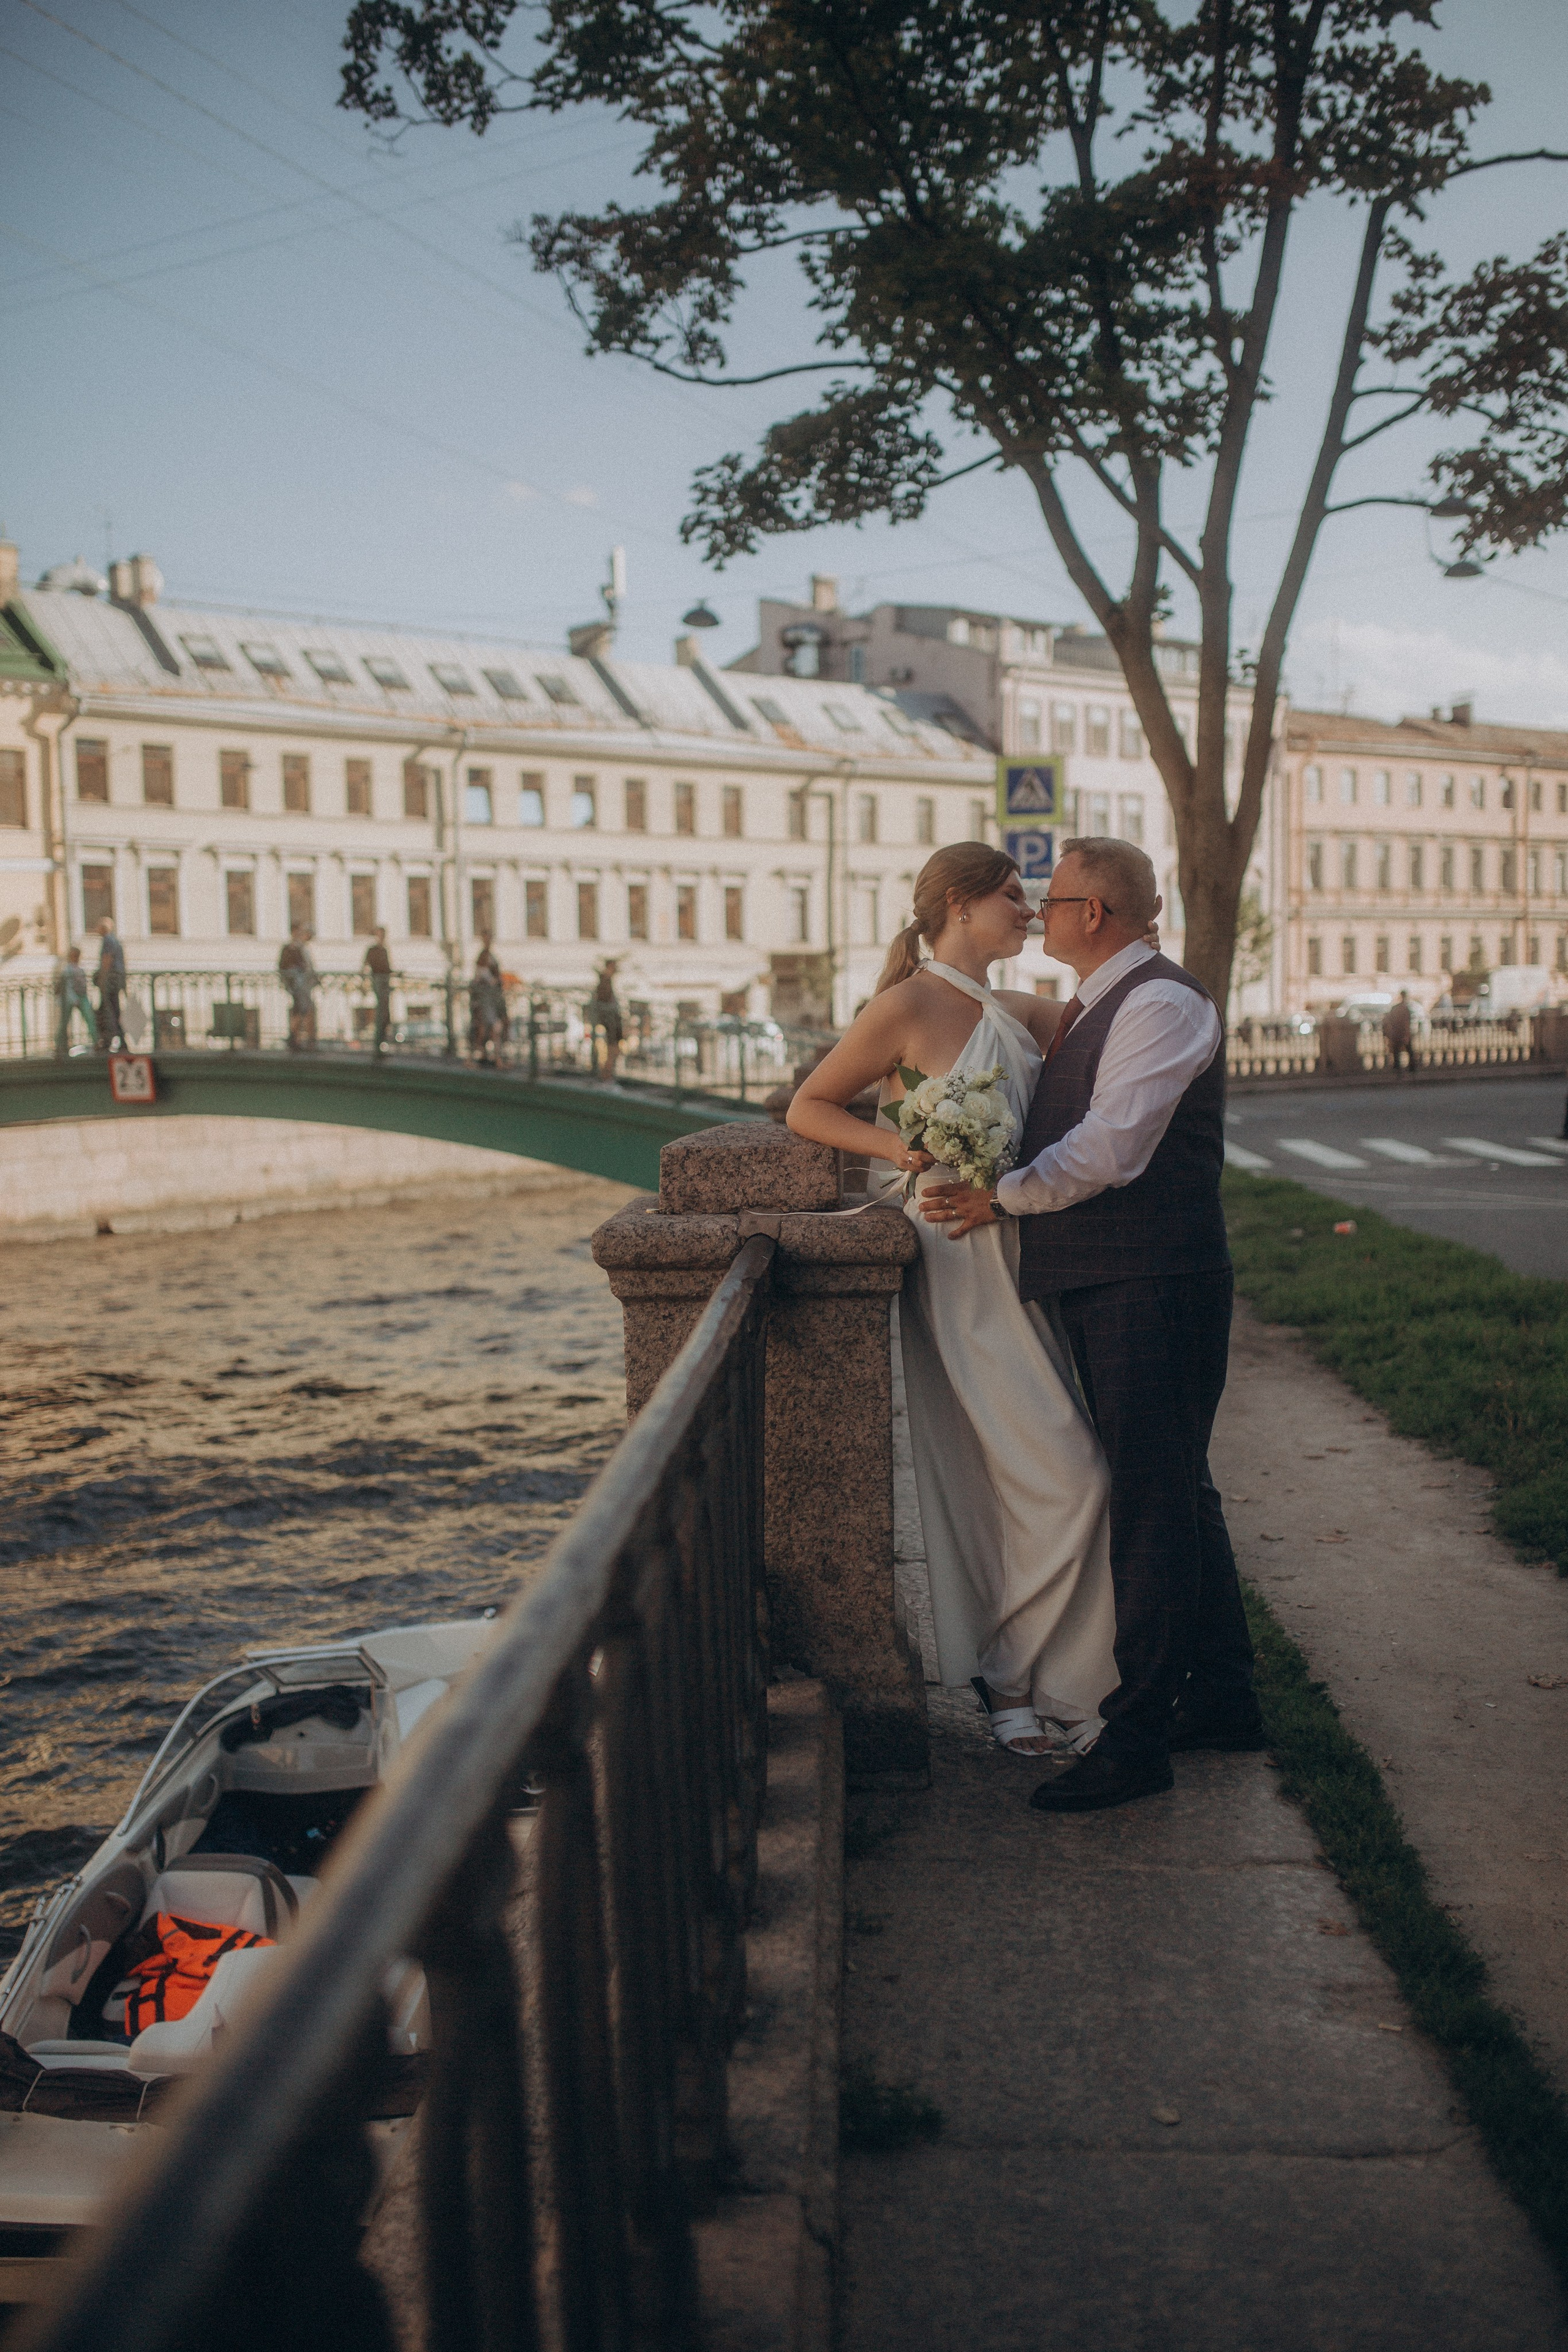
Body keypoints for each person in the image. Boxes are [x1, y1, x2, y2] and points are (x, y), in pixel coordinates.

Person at [921, 837, 1262, 1814]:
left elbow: (1112, 1148)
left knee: (1151, 1508)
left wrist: (1003, 1198)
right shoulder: (1095, 1004)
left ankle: (1139, 1735)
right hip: (1135, 1280)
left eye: (1054, 898)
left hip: (1154, 1283)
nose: (1040, 913)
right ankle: (1227, 1699)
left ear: (1097, 915)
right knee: (1181, 1492)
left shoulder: (1158, 1002)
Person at [788, 843, 1117, 1759]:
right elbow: (809, 1106)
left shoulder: (1007, 1008)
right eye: (1015, 897)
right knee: (1066, 1473)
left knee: (1020, 1479)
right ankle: (1036, 1683)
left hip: (1021, 1246)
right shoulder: (905, 1004)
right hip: (955, 1259)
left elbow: (1113, 1014)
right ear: (964, 905)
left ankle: (1025, 1685)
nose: (1028, 910)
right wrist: (905, 1152)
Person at [279, 924, 317, 1051]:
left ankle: (297, 1039)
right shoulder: (292, 948)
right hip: (298, 985)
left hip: (302, 984)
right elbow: (286, 967)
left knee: (302, 1010)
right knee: (303, 1010)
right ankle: (300, 1040)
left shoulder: (300, 948)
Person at [470, 932, 507, 1063]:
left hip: (492, 998)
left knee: (489, 1028)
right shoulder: (484, 957)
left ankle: (493, 1056)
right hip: (487, 998)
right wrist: (494, 981)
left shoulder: (489, 956)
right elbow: (482, 976)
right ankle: (495, 1057)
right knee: (491, 1028)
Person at [54, 945, 94, 1056]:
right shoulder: (68, 970)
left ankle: (96, 1041)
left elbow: (83, 985)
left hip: (79, 997)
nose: (76, 958)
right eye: (74, 956)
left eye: (77, 956)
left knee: (89, 1018)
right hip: (69, 999)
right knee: (64, 1022)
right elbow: (68, 988)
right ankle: (59, 1045)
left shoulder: (79, 969)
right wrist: (75, 999)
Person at [94, 915, 126, 1051]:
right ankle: (120, 1040)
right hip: (116, 979)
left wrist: (102, 978)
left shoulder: (108, 940)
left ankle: (109, 1040)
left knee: (109, 1009)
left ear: (104, 928)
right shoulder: (115, 941)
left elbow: (107, 959)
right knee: (113, 1009)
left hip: (110, 980)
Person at [590, 958, 624, 1082]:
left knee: (614, 1048)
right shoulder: (605, 981)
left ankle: (607, 1074)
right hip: (611, 1021)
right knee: (613, 1048)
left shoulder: (606, 980)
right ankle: (606, 1075)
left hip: (611, 1020)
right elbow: (604, 1000)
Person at [363, 926, 393, 1054]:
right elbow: (366, 965)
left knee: (385, 1010)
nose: (382, 938)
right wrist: (364, 982)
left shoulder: (384, 950)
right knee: (381, 1010)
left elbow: (386, 967)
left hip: (385, 980)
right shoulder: (373, 950)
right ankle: (379, 1043)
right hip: (379, 980)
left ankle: (382, 1041)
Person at [1382, 989, 1414, 1072]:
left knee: (1397, 1053)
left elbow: (1389, 1021)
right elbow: (1407, 1023)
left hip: (1396, 1033)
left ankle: (1397, 1071)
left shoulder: (1395, 1008)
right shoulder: (1405, 1008)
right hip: (1402, 1033)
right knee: (1409, 1052)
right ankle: (1411, 1070)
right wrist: (1407, 1035)